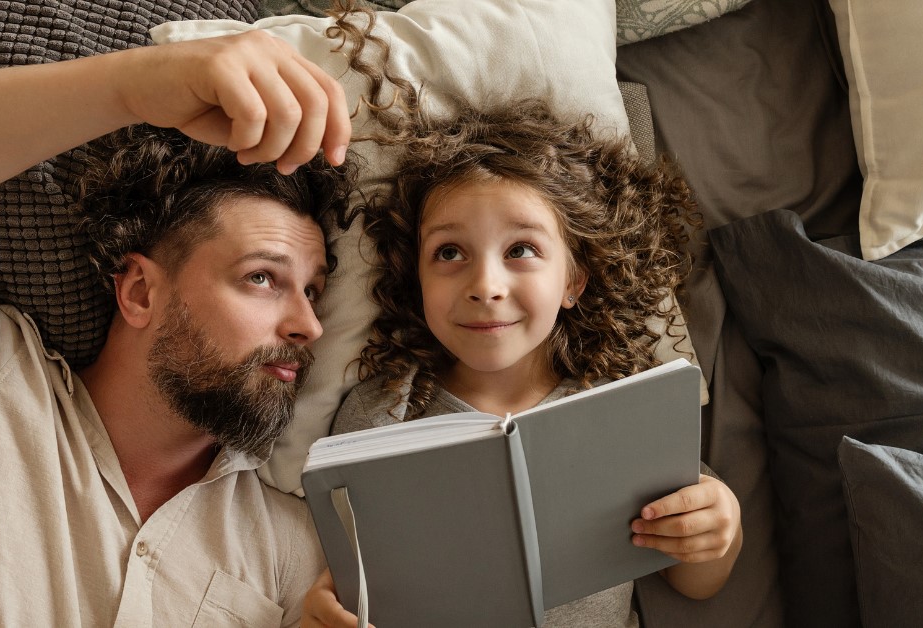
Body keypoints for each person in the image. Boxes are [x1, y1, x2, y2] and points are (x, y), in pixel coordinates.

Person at [0, 31, 355, 627]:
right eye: (263, 278)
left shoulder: (297, 554)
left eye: (313, 291)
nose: (309, 325)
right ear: (140, 291)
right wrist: (134, 86)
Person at [301, 14, 742, 625]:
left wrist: (718, 524)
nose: (485, 286)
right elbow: (347, 575)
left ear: (573, 280)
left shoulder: (621, 413)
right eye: (449, 253)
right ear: (418, 279)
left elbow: (697, 581)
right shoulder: (382, 414)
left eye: (521, 251)